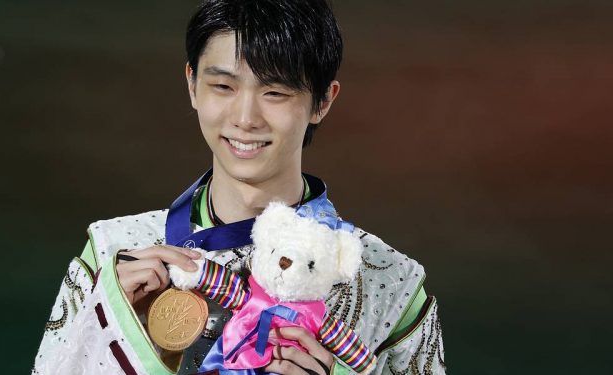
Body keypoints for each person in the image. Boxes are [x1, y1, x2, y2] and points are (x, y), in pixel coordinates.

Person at [33, 1, 445, 374]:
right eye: (223, 87)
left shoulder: (390, 285)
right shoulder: (113, 253)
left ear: (323, 100)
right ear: (192, 84)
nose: (245, 117)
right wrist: (111, 335)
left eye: (275, 91)